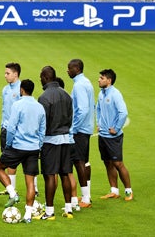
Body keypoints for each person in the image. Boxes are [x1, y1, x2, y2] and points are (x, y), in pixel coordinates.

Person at [0, 79, 46, 223]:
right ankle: (28, 216)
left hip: (17, 147)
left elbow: (11, 128)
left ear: (21, 90)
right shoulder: (39, 107)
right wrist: (39, 145)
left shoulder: (18, 105)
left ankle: (12, 193)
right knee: (30, 182)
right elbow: (42, 130)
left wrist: (9, 144)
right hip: (33, 148)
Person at [37, 66, 76, 220]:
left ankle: (49, 211)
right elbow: (71, 117)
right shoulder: (67, 95)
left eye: (41, 76)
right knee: (65, 173)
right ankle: (68, 209)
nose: (40, 79)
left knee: (49, 175)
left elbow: (43, 123)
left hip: (50, 140)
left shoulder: (44, 97)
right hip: (66, 139)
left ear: (46, 77)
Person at [96, 69, 133, 201]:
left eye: (102, 78)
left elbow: (123, 113)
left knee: (118, 163)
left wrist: (116, 128)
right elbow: (98, 108)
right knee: (108, 163)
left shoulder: (115, 94)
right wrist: (99, 122)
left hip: (113, 137)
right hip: (103, 135)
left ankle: (128, 191)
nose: (99, 80)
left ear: (109, 80)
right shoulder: (101, 93)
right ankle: (114, 190)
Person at [67, 58, 94, 210]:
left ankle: (85, 198)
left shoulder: (79, 86)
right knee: (84, 161)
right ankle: (86, 195)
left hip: (80, 130)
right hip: (87, 128)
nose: (67, 70)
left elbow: (82, 109)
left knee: (79, 162)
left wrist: (74, 128)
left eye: (69, 68)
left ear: (76, 69)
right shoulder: (86, 82)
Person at [0, 62, 22, 196]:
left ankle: (34, 189)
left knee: (24, 158)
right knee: (8, 159)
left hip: (17, 130)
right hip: (5, 128)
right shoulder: (5, 89)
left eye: (8, 73)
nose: (5, 75)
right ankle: (11, 188)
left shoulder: (21, 89)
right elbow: (4, 109)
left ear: (15, 74)